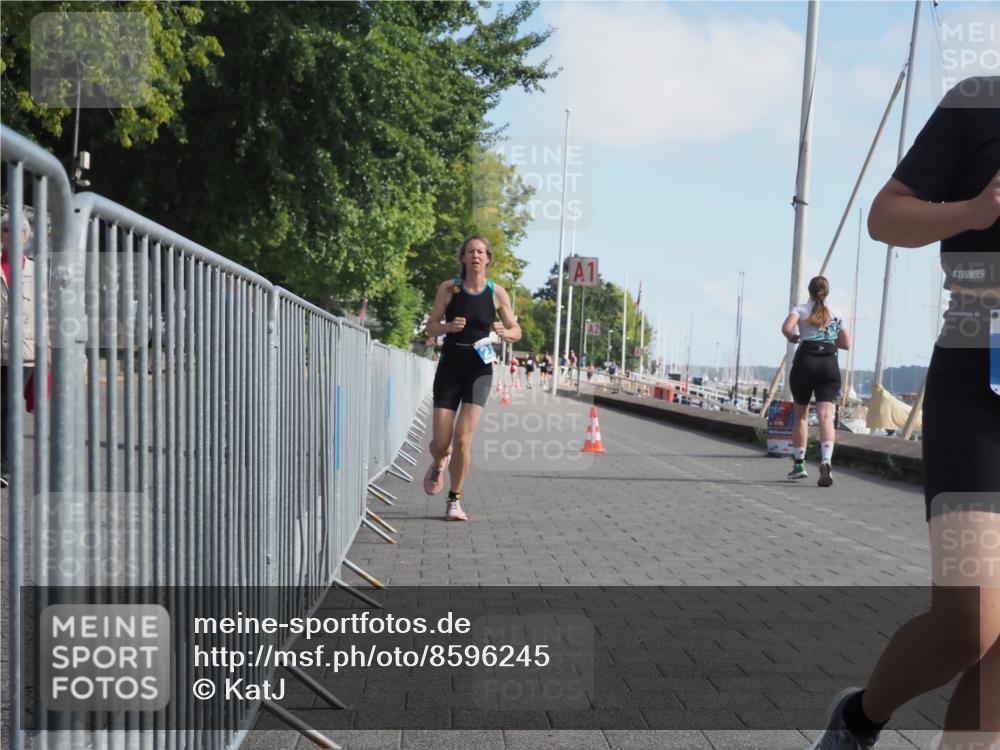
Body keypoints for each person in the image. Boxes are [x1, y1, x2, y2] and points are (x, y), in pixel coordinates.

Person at [809, 77, 999, 750]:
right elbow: (885, 217)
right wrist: (974, 211)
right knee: (969, 623)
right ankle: (858, 720)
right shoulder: (980, 102)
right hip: (979, 371)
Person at [422, 236, 521, 521]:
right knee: (441, 443)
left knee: (463, 438)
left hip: (480, 369)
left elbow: (516, 330)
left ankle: (454, 500)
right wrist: (448, 327)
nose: (476, 255)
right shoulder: (449, 289)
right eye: (470, 251)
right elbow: (430, 328)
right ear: (463, 258)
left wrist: (506, 332)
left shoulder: (496, 293)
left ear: (488, 258)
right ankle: (440, 462)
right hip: (450, 367)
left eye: (481, 251)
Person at [780, 276, 850, 487]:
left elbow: (786, 328)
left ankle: (799, 465)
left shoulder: (800, 309)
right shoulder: (837, 313)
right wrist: (830, 341)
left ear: (810, 291)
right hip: (829, 363)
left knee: (800, 416)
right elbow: (846, 343)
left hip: (806, 362)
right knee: (826, 416)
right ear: (826, 292)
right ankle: (826, 460)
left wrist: (792, 337)